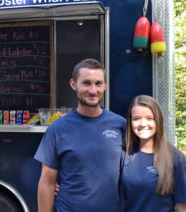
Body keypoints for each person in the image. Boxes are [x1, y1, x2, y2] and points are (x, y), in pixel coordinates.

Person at [34, 58, 126, 212]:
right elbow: (47, 182)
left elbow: (136, 169)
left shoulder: (120, 125)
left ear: (105, 86)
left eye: (98, 83)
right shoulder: (57, 129)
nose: (92, 90)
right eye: (86, 83)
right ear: (73, 84)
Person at [121, 95, 186, 212]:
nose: (142, 123)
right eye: (136, 118)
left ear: (158, 120)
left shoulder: (176, 158)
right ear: (130, 122)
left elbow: (182, 207)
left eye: (149, 118)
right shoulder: (125, 154)